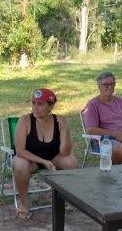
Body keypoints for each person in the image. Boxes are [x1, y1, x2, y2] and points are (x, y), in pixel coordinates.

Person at [12, 88, 77, 220]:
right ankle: (24, 204)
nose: (35, 108)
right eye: (34, 103)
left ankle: (66, 198)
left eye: (40, 104)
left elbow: (65, 152)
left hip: (52, 157)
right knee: (20, 164)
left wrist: (64, 128)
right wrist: (43, 162)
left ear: (51, 106)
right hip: (29, 159)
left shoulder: (58, 121)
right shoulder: (25, 120)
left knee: (71, 161)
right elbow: (20, 151)